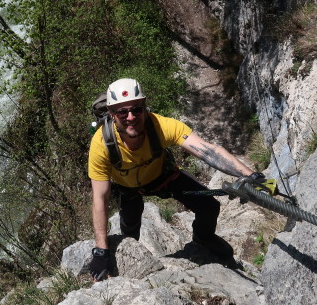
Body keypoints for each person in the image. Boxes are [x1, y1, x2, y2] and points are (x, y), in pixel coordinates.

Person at [87, 78, 263, 281]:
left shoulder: (161, 126)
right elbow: (100, 198)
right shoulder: (101, 144)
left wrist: (249, 175)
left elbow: (209, 152)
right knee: (130, 227)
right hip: (128, 188)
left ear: (144, 108)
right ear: (111, 114)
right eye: (122, 112)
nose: (131, 117)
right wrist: (101, 251)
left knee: (209, 206)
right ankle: (131, 260)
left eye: (136, 109)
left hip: (162, 177)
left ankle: (203, 238)